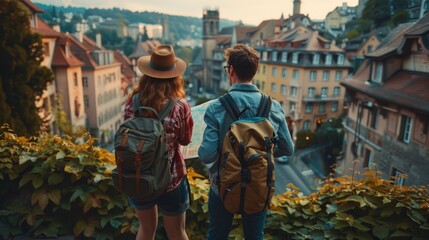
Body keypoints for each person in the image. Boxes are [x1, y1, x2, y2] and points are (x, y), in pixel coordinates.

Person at [198, 44, 294, 240]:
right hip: (259, 183)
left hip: (222, 184)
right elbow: (288, 148)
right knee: (254, 236)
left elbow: (206, 155)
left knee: (217, 236)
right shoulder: (273, 107)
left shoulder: (217, 107)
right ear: (254, 72)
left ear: (231, 70)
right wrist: (258, 154)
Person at [124, 45, 194, 240]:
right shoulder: (180, 106)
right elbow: (186, 139)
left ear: (147, 74)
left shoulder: (133, 101)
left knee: (145, 231)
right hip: (170, 179)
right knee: (177, 233)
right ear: (175, 76)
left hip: (138, 176)